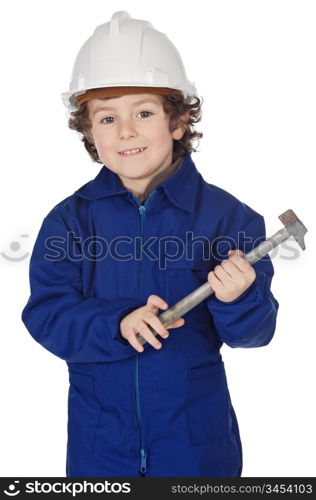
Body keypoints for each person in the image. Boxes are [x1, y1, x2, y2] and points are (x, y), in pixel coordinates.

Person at [21, 11, 279, 477]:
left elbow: (253, 334)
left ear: (178, 121)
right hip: (99, 449)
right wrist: (117, 322)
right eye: (107, 117)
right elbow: (47, 315)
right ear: (89, 133)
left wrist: (239, 298)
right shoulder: (69, 222)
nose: (126, 131)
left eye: (144, 112)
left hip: (197, 448)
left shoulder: (229, 219)